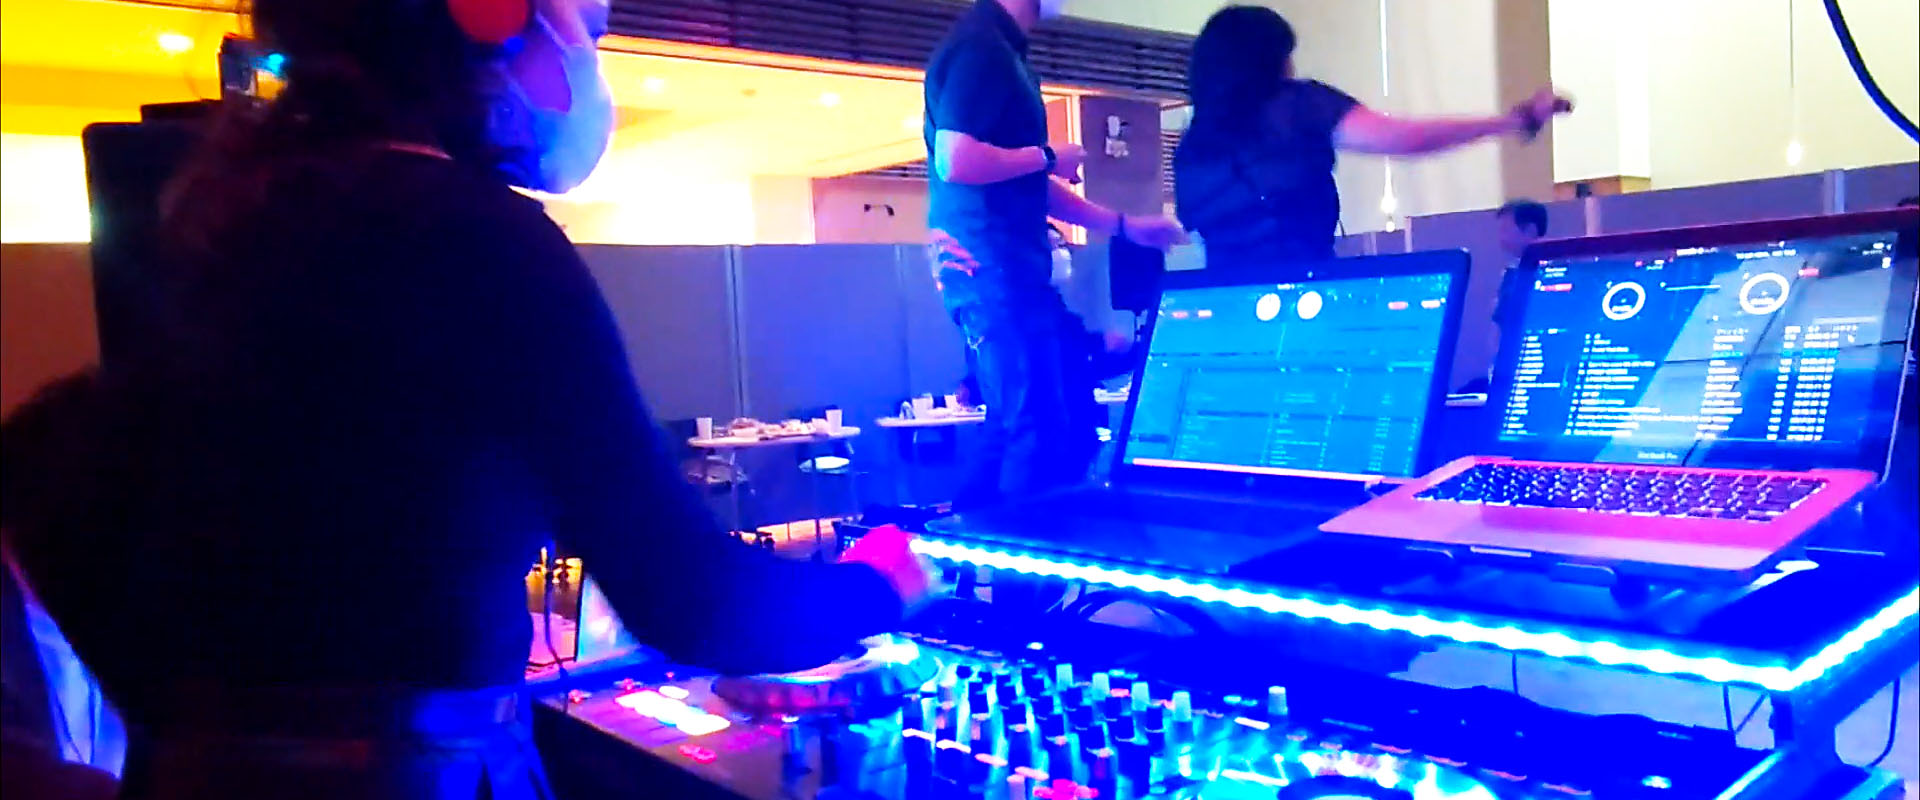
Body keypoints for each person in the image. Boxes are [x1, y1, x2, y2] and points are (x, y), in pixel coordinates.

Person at [0, 0, 930, 797]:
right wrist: (880, 584)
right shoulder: (475, 235)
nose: (590, 63)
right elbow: (696, 605)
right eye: (589, 28)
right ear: (488, 14)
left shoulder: (231, 222)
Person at [925, 0, 1185, 506]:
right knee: (1037, 427)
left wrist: (1124, 226)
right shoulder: (982, 48)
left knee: (1042, 421)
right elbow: (955, 160)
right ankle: (1016, 555)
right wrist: (1047, 156)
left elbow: (1027, 185)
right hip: (995, 268)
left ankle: (973, 545)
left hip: (1006, 270)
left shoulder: (1001, 51)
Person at [1174, 5, 1572, 270]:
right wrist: (1512, 121)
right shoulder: (1296, 105)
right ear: (1268, 59)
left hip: (1223, 311)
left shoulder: (1192, 147)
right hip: (1300, 301)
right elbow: (1405, 139)